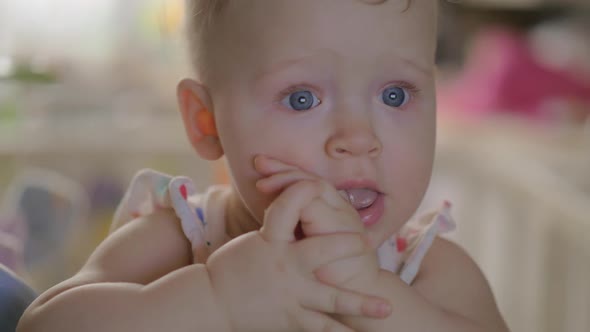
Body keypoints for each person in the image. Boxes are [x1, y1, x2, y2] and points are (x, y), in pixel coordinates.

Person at [17, 0, 510, 331]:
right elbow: (44, 325)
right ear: (207, 121)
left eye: (395, 94)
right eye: (301, 98)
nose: (359, 139)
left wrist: (376, 297)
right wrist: (218, 298)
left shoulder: (427, 272)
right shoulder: (185, 237)